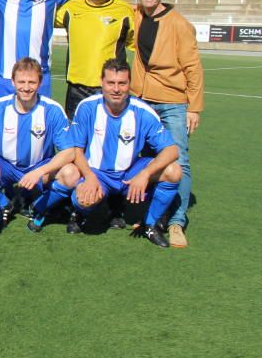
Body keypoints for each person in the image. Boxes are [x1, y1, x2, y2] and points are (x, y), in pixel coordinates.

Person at [55, 58, 181, 247]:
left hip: (130, 174)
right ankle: (80, 213)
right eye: (111, 83)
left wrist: (145, 174)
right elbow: (76, 150)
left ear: (129, 84)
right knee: (84, 199)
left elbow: (171, 150)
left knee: (174, 171)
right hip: (97, 173)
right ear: (101, 82)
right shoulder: (88, 107)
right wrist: (89, 177)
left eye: (122, 83)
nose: (116, 89)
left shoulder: (142, 112)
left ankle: (149, 224)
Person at [130, 0, 204, 249]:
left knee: (179, 160)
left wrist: (194, 107)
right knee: (149, 160)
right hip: (142, 101)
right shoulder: (137, 14)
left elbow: (193, 68)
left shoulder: (179, 24)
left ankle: (176, 221)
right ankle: (151, 217)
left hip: (172, 102)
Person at [0, 57, 76, 232]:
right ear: (13, 82)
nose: (26, 87)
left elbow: (69, 152)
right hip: (4, 165)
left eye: (32, 82)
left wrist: (39, 172)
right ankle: (3, 202)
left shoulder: (52, 110)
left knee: (71, 173)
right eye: (21, 81)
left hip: (40, 165)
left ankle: (38, 207)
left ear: (40, 83)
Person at [55, 0, 134, 118]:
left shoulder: (125, 11)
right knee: (76, 140)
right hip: (76, 90)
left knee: (108, 139)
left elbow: (135, 45)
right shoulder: (70, 9)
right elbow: (38, 13)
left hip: (110, 89)